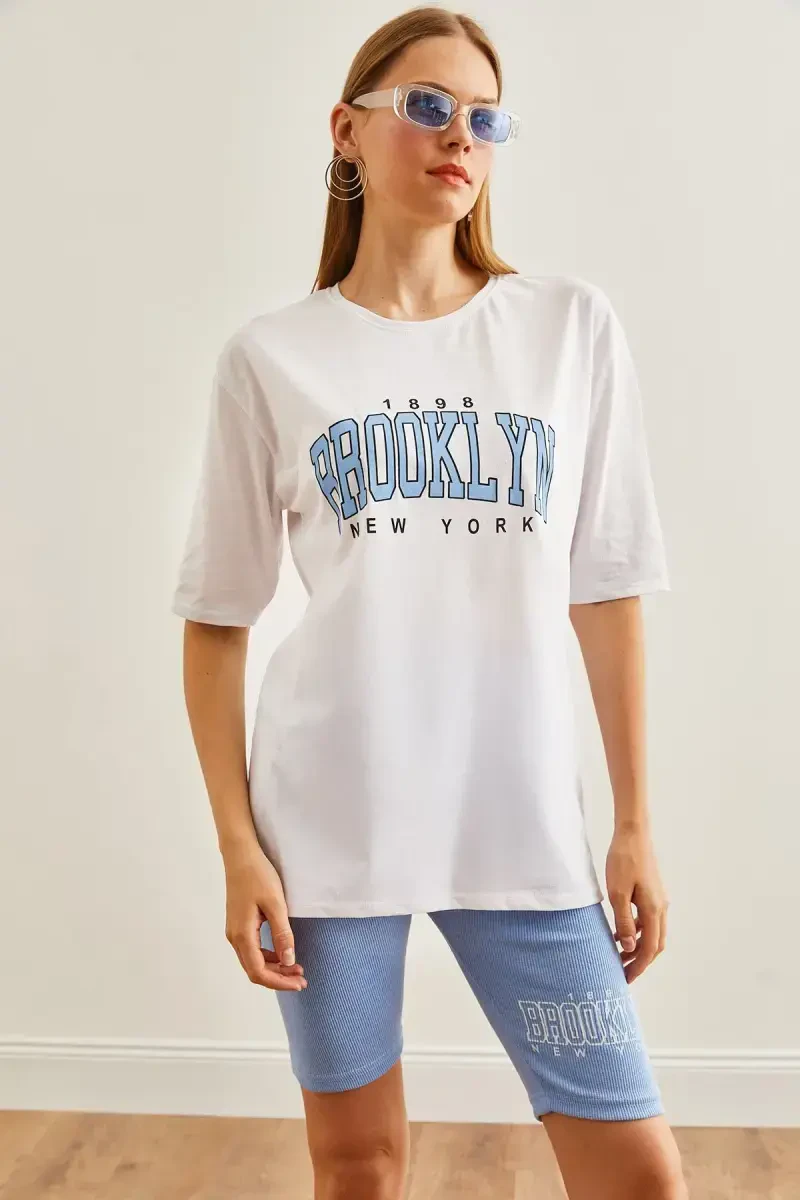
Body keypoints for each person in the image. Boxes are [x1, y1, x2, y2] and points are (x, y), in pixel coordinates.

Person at [171, 8, 688, 1198]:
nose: (460, 136)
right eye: (426, 106)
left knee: (636, 1173)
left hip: (522, 830)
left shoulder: (566, 330)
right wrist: (238, 848)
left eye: (485, 119)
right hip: (329, 834)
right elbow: (216, 621)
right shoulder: (271, 359)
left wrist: (632, 822)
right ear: (346, 130)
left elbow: (606, 591)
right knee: (358, 1164)